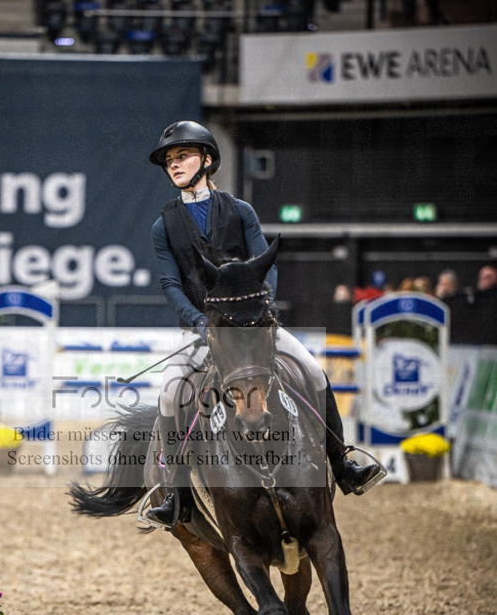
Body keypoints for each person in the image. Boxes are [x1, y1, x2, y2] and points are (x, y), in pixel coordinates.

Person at [143, 120, 384, 529]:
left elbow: (264, 266)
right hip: (203, 330)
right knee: (170, 395)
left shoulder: (241, 211)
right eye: (169, 160)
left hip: (254, 324)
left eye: (183, 156)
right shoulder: (163, 225)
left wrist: (260, 311)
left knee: (314, 371)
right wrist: (199, 321)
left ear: (207, 160)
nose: (174, 165)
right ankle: (177, 495)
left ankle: (342, 463)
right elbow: (170, 283)